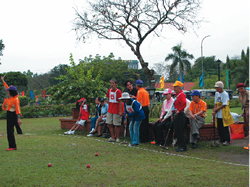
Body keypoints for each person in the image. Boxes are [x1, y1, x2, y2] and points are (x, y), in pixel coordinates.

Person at [1, 75, 22, 151]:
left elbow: (18, 109)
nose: (7, 91)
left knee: (10, 131)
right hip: (9, 114)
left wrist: (19, 119)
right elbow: (6, 87)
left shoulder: (15, 99)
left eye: (9, 90)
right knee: (9, 131)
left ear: (11, 92)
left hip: (13, 115)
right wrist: (3, 81)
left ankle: (13, 146)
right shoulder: (10, 97)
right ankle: (12, 146)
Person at [212, 81, 234, 146]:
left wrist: (217, 109)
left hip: (223, 112)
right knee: (219, 126)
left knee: (224, 126)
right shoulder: (216, 94)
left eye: (217, 88)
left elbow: (224, 104)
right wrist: (214, 110)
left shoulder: (225, 94)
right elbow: (215, 102)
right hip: (218, 113)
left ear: (221, 88)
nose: (216, 89)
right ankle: (221, 139)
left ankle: (227, 139)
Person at [171, 81, 187, 152]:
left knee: (180, 131)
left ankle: (183, 146)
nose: (174, 89)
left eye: (175, 87)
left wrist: (179, 110)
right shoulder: (177, 95)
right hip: (176, 114)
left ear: (179, 87)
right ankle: (181, 145)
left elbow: (184, 103)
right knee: (177, 131)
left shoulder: (181, 95)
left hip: (180, 114)